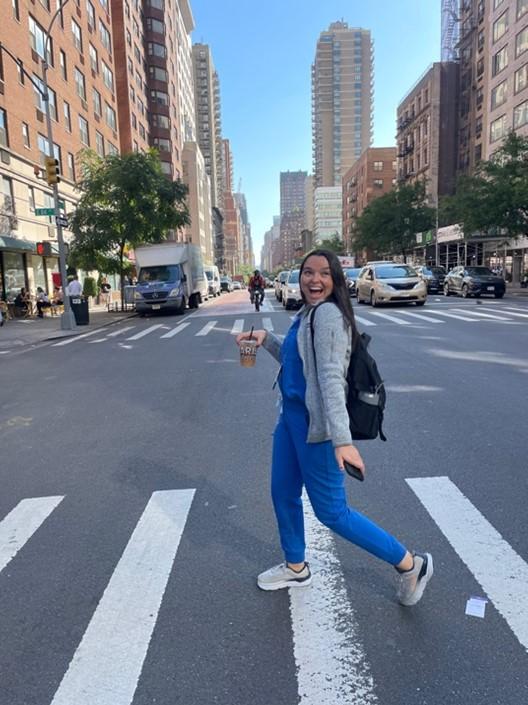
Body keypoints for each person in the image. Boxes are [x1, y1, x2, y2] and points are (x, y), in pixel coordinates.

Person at [235, 249, 433, 606]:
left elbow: (329, 379)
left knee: (332, 513)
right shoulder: (308, 312)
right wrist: (266, 340)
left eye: (324, 274)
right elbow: (300, 364)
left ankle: (410, 563)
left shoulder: (326, 315)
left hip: (317, 428)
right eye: (308, 272)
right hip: (292, 421)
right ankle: (296, 566)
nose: (314, 280)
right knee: (283, 492)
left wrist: (341, 440)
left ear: (336, 280)